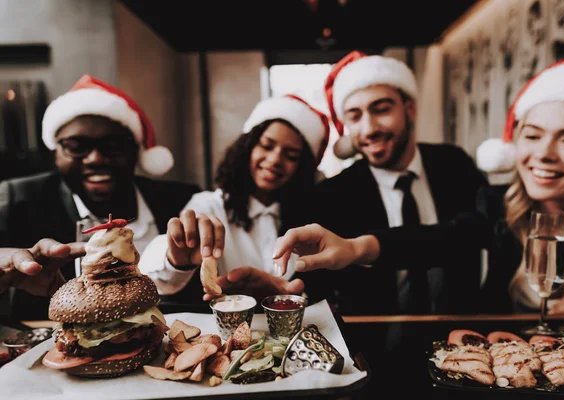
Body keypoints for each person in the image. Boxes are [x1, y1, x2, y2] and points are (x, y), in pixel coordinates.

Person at [272, 54, 564, 317]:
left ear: (409, 109)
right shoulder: (501, 206)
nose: (544, 154)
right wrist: (355, 248)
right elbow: (439, 238)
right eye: (532, 136)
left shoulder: (454, 165)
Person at [300, 50, 488, 315]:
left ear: (409, 109)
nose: (369, 128)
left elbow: (476, 231)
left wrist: (364, 247)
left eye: (382, 109)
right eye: (355, 116)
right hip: (373, 347)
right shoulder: (333, 194)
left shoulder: (453, 164)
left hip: (462, 333)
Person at [0, 75, 200, 320]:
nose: (95, 159)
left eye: (113, 145)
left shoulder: (181, 201)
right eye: (76, 146)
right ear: (55, 152)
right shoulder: (13, 201)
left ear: (136, 150)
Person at [138, 94, 330, 304]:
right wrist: (175, 259)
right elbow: (157, 277)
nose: (275, 160)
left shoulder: (311, 217)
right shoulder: (209, 205)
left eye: (291, 155)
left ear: (302, 168)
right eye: (266, 146)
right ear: (247, 147)